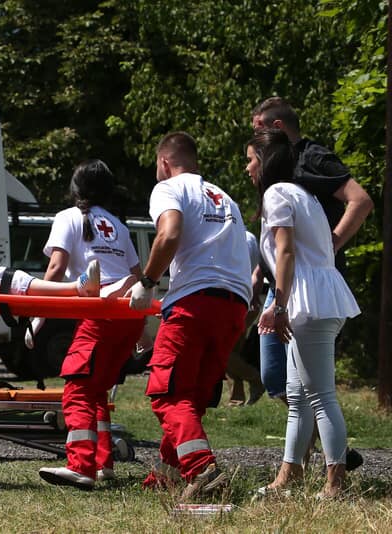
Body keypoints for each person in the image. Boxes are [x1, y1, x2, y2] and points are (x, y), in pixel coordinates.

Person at [128, 132, 251, 501]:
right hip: (234, 305)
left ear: (164, 162)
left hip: (194, 302)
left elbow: (169, 235)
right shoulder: (225, 198)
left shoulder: (168, 188)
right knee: (191, 397)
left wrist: (147, 282)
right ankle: (167, 475)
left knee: (167, 393)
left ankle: (202, 470)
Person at [251, 96, 371, 470]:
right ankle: (290, 473)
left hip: (307, 293)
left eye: (252, 157)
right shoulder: (298, 191)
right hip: (306, 289)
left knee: (319, 396)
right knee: (296, 393)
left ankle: (336, 478)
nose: (247, 166)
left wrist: (280, 303)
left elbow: (287, 251)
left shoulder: (290, 182)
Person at [35, 159, 146, 490]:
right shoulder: (119, 226)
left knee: (79, 386)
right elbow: (138, 276)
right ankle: (102, 463)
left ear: (75, 188)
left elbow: (56, 269)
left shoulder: (67, 218)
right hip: (129, 315)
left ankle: (80, 465)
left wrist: (37, 313)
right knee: (96, 389)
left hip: (101, 312)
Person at [224, 231, 264, 406]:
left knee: (221, 350)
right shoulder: (250, 237)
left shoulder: (236, 238)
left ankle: (256, 378)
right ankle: (236, 398)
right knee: (232, 350)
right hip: (246, 300)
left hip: (235, 301)